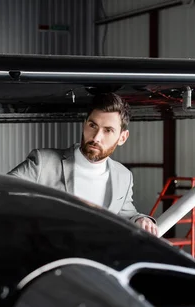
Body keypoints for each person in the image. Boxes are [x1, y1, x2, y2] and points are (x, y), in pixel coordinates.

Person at [8, 92, 158, 235]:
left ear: (122, 138)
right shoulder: (43, 162)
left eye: (108, 130)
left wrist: (140, 219)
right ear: (84, 124)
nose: (97, 137)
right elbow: (3, 193)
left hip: (98, 258)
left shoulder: (123, 176)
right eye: (93, 126)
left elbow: (126, 213)